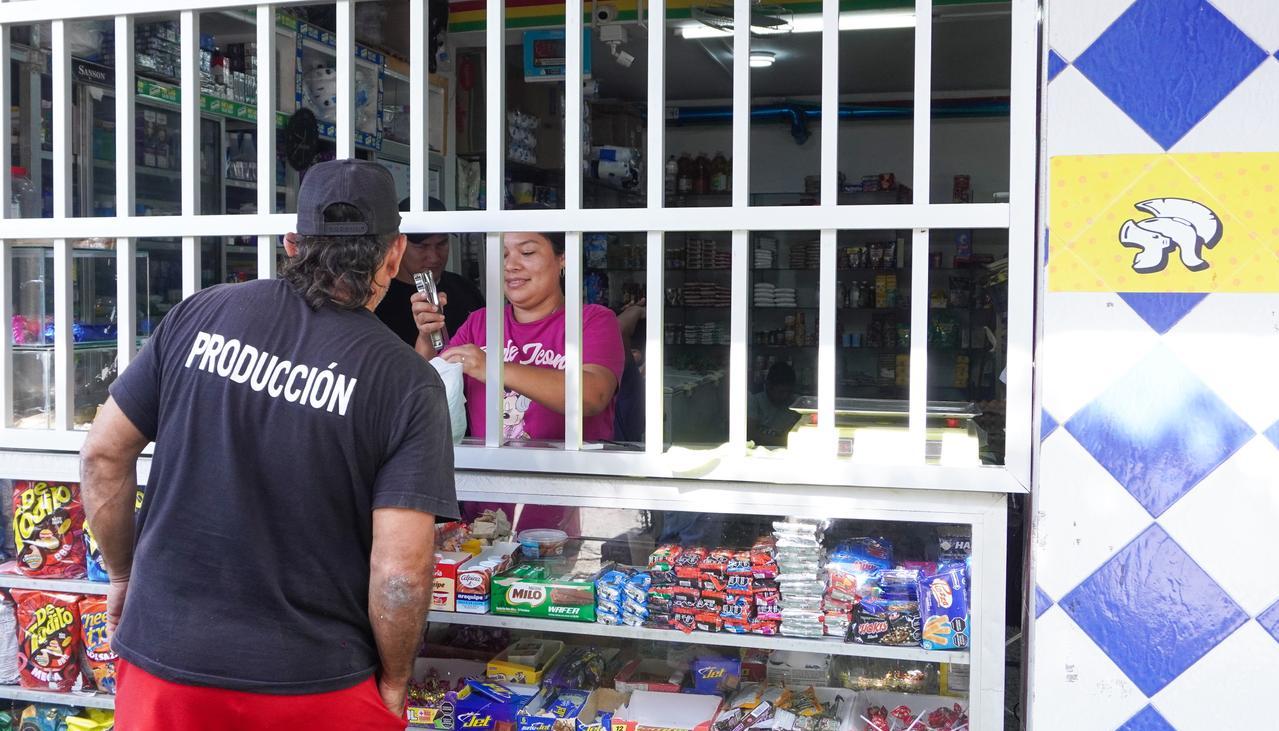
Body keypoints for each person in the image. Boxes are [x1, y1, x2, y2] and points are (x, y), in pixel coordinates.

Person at [79, 159, 458, 730]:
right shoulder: (406, 381)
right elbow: (400, 571)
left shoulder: (199, 315)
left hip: (164, 666)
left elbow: (102, 454)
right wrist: (397, 679)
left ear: (292, 245)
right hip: (316, 684)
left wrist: (123, 576)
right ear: (394, 255)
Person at [414, 230, 626, 443]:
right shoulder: (480, 322)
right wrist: (427, 337)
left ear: (562, 257)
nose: (510, 265)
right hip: (490, 464)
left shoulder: (592, 320)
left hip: (569, 464)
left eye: (527, 252)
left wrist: (492, 368)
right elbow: (423, 393)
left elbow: (592, 396)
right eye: (503, 255)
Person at [374, 197, 484, 353]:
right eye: (421, 246)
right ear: (398, 244)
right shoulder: (377, 299)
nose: (434, 257)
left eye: (442, 244)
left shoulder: (465, 289)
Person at [747, 361, 801, 447]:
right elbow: (750, 435)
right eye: (781, 392)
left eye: (789, 392)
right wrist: (787, 441)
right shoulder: (754, 401)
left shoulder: (797, 404)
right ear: (768, 386)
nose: (785, 396)